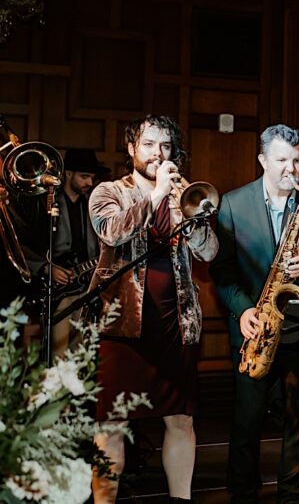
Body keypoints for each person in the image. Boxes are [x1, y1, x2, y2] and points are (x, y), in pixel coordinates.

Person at [210, 124, 299, 503]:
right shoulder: (233, 203)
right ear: (262, 160)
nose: (292, 169)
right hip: (255, 327)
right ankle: (243, 494)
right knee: (246, 423)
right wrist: (242, 310)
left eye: (298, 160)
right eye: (282, 160)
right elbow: (222, 269)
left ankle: (293, 496)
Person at [89, 115, 218, 503]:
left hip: (173, 323)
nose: (158, 154)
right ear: (131, 149)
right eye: (148, 144)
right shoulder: (107, 191)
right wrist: (156, 196)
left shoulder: (184, 194)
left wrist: (189, 211)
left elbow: (211, 251)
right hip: (120, 325)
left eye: (165, 146)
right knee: (110, 425)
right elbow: (111, 232)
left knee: (180, 419)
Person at [28, 148, 110, 355]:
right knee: (59, 356)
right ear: (68, 174)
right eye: (84, 176)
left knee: (81, 356)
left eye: (92, 177)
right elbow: (22, 246)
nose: (90, 183)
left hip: (86, 290)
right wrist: (46, 268)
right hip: (57, 294)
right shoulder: (44, 204)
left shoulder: (92, 206)